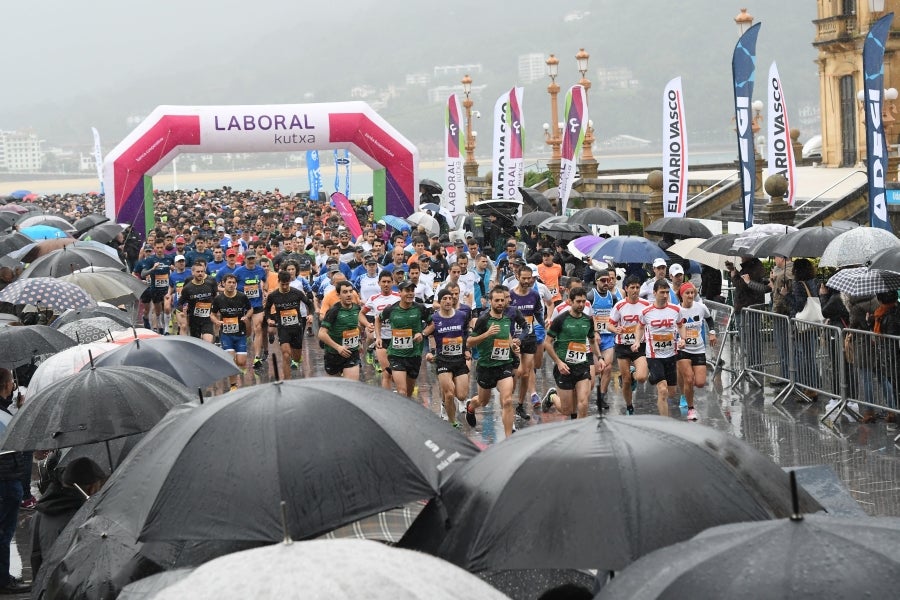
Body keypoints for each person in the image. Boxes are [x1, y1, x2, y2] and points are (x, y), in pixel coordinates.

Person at [30, 457, 106, 578]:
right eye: (100, 486)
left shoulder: (39, 515)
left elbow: (36, 558)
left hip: (47, 587)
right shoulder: (82, 521)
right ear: (92, 489)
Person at [464, 286, 525, 438]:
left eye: (502, 300)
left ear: (505, 302)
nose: (499, 303)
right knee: (483, 401)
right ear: (490, 301)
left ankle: (508, 438)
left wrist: (513, 347)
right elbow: (469, 342)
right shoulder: (483, 319)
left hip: (504, 365)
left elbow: (507, 336)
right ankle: (471, 406)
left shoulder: (506, 319)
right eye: (496, 300)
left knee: (508, 400)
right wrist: (487, 334)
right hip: (486, 367)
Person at [544, 287, 603, 419]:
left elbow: (592, 341)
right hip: (564, 368)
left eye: (584, 301)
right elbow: (547, 343)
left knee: (583, 402)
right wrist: (559, 363)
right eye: (578, 301)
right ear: (570, 302)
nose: (582, 304)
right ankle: (552, 397)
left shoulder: (588, 320)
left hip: (582, 365)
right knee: (567, 410)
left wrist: (599, 357)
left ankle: (581, 433)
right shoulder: (560, 320)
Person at [634, 279, 684, 417]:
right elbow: (640, 326)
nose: (665, 295)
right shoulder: (646, 311)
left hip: (671, 354)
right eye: (662, 292)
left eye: (667, 292)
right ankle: (665, 423)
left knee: (672, 392)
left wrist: (683, 339)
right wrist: (637, 341)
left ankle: (652, 376)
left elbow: (680, 325)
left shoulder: (675, 309)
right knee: (662, 390)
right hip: (654, 355)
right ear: (654, 293)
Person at [423, 288, 471, 428]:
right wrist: (431, 352)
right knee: (449, 394)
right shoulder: (435, 318)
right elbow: (428, 334)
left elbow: (466, 334)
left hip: (459, 359)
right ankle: (452, 422)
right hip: (443, 360)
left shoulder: (462, 315)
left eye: (450, 298)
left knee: (461, 395)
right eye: (445, 298)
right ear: (440, 301)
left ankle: (448, 402)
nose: (448, 301)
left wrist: (467, 349)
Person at [0, 369, 30, 594]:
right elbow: (12, 439)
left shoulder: (4, 411)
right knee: (4, 531)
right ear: (4, 385)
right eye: (10, 382)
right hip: (6, 480)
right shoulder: (1, 415)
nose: (12, 386)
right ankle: (3, 580)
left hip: (8, 480)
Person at [376, 280, 430, 397]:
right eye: (407, 291)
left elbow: (432, 324)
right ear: (399, 292)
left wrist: (422, 333)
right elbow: (378, 319)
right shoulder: (391, 309)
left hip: (414, 355)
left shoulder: (420, 308)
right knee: (402, 391)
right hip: (396, 355)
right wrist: (378, 337)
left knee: (409, 393)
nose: (410, 293)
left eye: (412, 290)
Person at [607, 275, 650, 415]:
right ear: (626, 289)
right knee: (625, 381)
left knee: (642, 377)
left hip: (639, 345)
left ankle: (634, 374)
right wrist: (615, 329)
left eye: (637, 287)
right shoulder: (619, 306)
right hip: (623, 345)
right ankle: (629, 406)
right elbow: (609, 324)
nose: (635, 290)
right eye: (632, 287)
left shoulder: (646, 305)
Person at [676, 282, 717, 421]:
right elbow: (671, 327)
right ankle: (691, 408)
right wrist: (677, 340)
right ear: (682, 295)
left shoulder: (700, 307)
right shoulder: (677, 310)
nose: (690, 295)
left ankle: (688, 391)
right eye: (687, 293)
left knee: (699, 383)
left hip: (698, 348)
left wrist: (712, 332)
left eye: (692, 293)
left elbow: (709, 319)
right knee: (688, 379)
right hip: (683, 349)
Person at [587, 265, 622, 411]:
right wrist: (593, 332)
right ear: (596, 282)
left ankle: (601, 397)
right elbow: (587, 316)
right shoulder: (590, 296)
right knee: (596, 369)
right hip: (594, 338)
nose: (606, 283)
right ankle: (588, 389)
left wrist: (616, 328)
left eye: (608, 280)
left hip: (608, 337)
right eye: (603, 280)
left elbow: (615, 316)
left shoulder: (612, 297)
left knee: (607, 369)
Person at [264, 271, 314, 372]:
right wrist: (268, 319)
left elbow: (310, 304)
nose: (285, 286)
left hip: (297, 327)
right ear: (279, 282)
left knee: (296, 357)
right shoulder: (273, 295)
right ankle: (286, 382)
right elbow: (267, 309)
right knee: (286, 356)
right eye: (283, 284)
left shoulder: (297, 293)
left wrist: (311, 315)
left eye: (287, 284)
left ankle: (297, 358)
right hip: (283, 328)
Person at [211, 273, 253, 390]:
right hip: (226, 334)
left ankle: (239, 369)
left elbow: (250, 309)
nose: (231, 285)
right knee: (230, 360)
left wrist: (247, 317)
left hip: (240, 333)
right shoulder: (218, 299)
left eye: (233, 283)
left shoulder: (242, 297)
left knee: (241, 361)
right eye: (229, 282)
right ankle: (233, 386)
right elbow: (212, 314)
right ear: (223, 284)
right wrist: (216, 321)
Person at [359, 271, 401, 388]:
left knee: (397, 373)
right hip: (381, 339)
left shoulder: (399, 297)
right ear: (379, 283)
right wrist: (367, 324)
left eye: (388, 282)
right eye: (383, 282)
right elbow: (361, 314)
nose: (386, 284)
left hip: (397, 339)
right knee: (386, 373)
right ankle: (387, 401)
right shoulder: (373, 298)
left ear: (393, 283)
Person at [788, 258, 820, 401]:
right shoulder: (813, 282)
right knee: (811, 356)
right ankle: (813, 386)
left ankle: (810, 388)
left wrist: (786, 295)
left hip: (803, 325)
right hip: (813, 323)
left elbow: (799, 304)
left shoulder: (798, 284)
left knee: (806, 357)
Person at [318, 280, 363, 380]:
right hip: (333, 354)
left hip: (352, 353)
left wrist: (359, 341)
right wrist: (338, 347)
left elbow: (356, 326)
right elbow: (321, 334)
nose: (349, 295)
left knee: (352, 386)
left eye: (351, 291)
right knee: (335, 390)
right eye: (345, 292)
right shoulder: (334, 311)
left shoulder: (357, 309)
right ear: (339, 295)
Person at [233, 252, 268, 369]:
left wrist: (265, 290)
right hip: (242, 305)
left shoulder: (260, 270)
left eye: (253, 258)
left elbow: (265, 280)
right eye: (249, 259)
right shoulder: (238, 272)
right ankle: (239, 355)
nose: (251, 261)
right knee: (244, 332)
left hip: (257, 304)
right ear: (245, 259)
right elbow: (231, 282)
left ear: (256, 258)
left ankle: (257, 357)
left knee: (258, 328)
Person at [178, 259, 218, 342]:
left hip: (207, 319)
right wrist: (183, 312)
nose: (200, 273)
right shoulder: (187, 288)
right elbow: (180, 303)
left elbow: (215, 298)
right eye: (198, 272)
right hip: (194, 320)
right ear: (193, 272)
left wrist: (215, 311)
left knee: (208, 341)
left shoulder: (209, 284)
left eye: (202, 271)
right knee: (197, 345)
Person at [139, 240, 174, 334]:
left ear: (164, 247)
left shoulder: (169, 258)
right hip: (155, 289)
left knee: (167, 308)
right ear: (154, 248)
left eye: (161, 247)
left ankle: (167, 330)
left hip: (166, 289)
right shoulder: (150, 259)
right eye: (157, 248)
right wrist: (152, 269)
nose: (159, 249)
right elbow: (143, 274)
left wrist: (173, 269)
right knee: (158, 311)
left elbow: (176, 270)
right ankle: (160, 326)